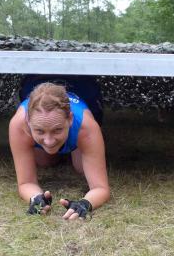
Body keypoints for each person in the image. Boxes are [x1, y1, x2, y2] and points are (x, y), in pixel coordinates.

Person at [8, 76, 109, 221]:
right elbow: (26, 183)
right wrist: (36, 198)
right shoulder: (19, 125)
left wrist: (85, 204)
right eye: (40, 131)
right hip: (35, 82)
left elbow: (100, 188)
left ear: (70, 119)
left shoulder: (87, 127)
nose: (49, 141)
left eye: (57, 130)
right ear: (28, 121)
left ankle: (73, 144)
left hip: (84, 88)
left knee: (81, 167)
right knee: (45, 161)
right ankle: (64, 141)